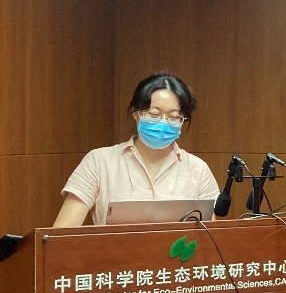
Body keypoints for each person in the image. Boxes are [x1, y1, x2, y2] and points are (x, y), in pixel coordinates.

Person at [53, 72, 220, 227]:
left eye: (174, 117)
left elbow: (213, 237)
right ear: (136, 113)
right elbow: (62, 233)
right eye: (154, 115)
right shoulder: (99, 162)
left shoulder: (198, 170)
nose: (163, 122)